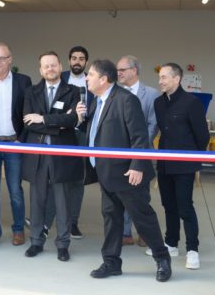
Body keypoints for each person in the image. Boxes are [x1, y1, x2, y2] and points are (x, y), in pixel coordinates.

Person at [77, 59, 171, 281]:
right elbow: (96, 133)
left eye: (90, 74)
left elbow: (139, 136)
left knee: (142, 217)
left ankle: (162, 259)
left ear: (103, 79)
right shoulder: (96, 101)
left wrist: (137, 165)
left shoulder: (126, 100)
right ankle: (111, 262)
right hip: (106, 173)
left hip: (128, 175)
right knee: (111, 217)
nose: (86, 78)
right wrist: (80, 118)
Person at [22, 51, 83, 262]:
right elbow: (28, 122)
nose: (50, 69)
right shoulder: (31, 92)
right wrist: (58, 122)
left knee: (62, 202)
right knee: (37, 200)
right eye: (46, 66)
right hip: (37, 154)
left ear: (60, 66)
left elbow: (73, 120)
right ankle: (36, 242)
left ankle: (63, 245)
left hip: (61, 154)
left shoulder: (73, 91)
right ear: (40, 69)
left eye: (53, 65)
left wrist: (43, 119)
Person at [151, 63, 210, 270]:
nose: (161, 81)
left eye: (165, 77)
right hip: (164, 164)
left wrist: (192, 160)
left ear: (177, 79)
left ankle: (192, 249)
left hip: (184, 165)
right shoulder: (158, 103)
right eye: (160, 77)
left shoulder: (191, 103)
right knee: (168, 205)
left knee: (185, 206)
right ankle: (171, 243)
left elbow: (202, 136)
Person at [0, 42, 32, 249]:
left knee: (15, 191)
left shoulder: (23, 81)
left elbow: (29, 112)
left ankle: (18, 230)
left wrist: (22, 138)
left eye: (2, 58)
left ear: (10, 59)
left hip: (14, 144)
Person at [41, 45, 93, 239]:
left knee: (77, 181)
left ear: (86, 62)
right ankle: (46, 221)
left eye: (81, 58)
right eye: (74, 58)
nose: (77, 61)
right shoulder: (58, 77)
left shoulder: (92, 80)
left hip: (83, 135)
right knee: (55, 177)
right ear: (69, 61)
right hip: (60, 134)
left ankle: (72, 223)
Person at [116, 55, 159, 247]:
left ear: (134, 70)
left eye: (122, 70)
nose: (118, 73)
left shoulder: (151, 94)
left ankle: (144, 232)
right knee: (123, 194)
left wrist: (138, 149)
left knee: (141, 195)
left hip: (141, 154)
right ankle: (125, 232)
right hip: (118, 155)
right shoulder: (114, 92)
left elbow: (152, 124)